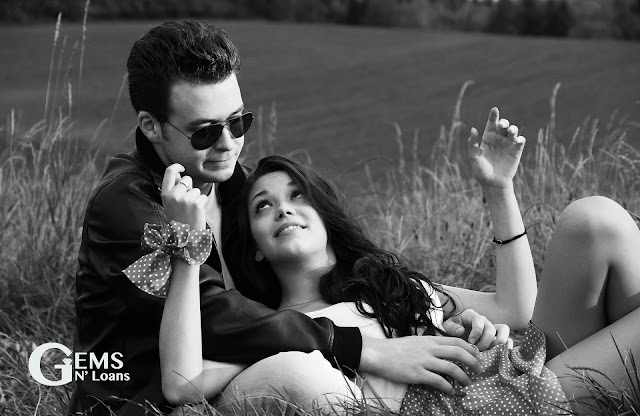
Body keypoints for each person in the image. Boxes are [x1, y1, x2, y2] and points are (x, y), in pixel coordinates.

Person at [69, 20, 496, 415]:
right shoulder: (127, 206)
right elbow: (213, 316)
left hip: (237, 373)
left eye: (238, 122)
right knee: (298, 374)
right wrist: (363, 347)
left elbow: (318, 271)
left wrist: (427, 319)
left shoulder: (241, 187)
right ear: (151, 126)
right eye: (204, 132)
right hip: (151, 403)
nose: (228, 144)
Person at [156, 108, 640, 414]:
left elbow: (513, 309)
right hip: (496, 407)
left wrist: (498, 190)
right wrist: (185, 247)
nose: (284, 209)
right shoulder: (275, 331)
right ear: (256, 246)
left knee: (593, 221)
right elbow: (181, 384)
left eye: (298, 196)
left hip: (515, 369)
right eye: (264, 206)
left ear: (325, 216)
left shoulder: (387, 283)